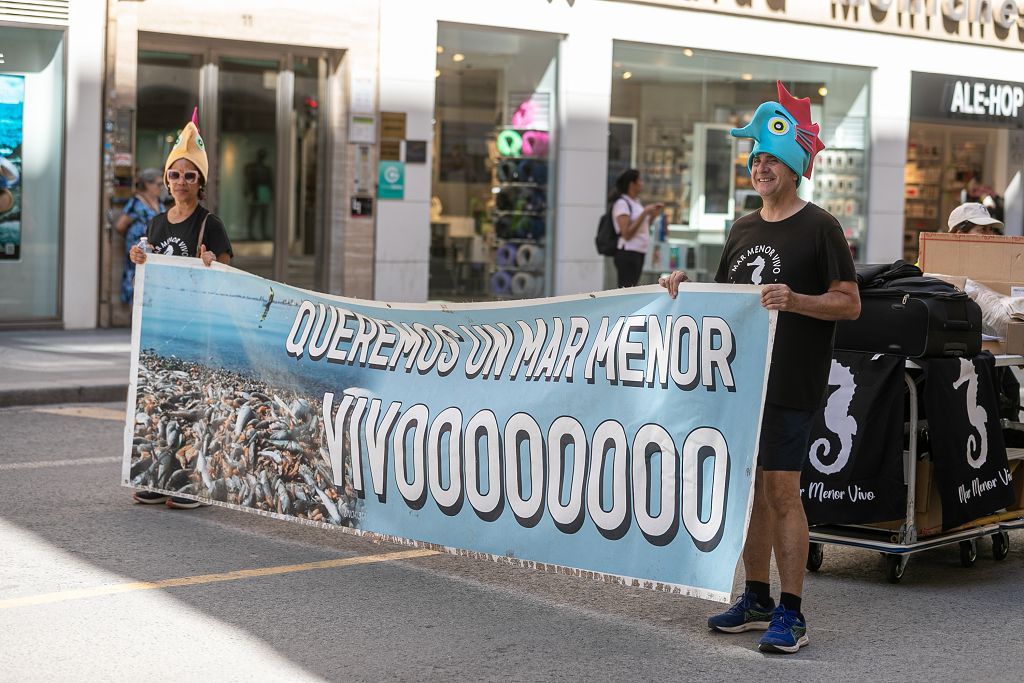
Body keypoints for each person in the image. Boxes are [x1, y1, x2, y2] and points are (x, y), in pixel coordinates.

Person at [660, 81, 860, 654]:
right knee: (747, 494)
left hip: (791, 381)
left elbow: (849, 302)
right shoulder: (743, 227)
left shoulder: (821, 227)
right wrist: (680, 288)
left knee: (782, 492)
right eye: (755, 160)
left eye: (771, 159)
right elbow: (725, 300)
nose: (761, 167)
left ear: (794, 166)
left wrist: (796, 300)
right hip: (741, 384)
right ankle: (756, 598)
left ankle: (792, 613)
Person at [129, 108, 233, 510]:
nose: (181, 182)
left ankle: (195, 486)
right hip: (162, 327)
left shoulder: (211, 223)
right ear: (167, 178)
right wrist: (139, 255)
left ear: (201, 182)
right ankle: (160, 477)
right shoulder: (156, 223)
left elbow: (228, 274)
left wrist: (214, 264)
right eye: (175, 174)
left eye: (190, 175)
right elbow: (152, 261)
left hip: (199, 327)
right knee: (161, 405)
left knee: (195, 408)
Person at [114, 168, 164, 303]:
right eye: (159, 184)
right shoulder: (136, 203)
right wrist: (133, 239)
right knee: (137, 285)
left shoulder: (158, 202)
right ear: (148, 184)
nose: (162, 187)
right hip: (138, 252)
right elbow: (120, 226)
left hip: (155, 253)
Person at [610, 169, 663, 287]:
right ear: (632, 184)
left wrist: (652, 215)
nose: (642, 183)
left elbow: (642, 228)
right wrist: (644, 213)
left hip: (638, 252)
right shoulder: (622, 203)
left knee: (632, 287)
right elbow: (626, 234)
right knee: (627, 289)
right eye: (639, 180)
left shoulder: (636, 202)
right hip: (627, 252)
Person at [244, 148, 274, 240]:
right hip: (256, 192)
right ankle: (250, 234)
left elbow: (270, 182)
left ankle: (262, 233)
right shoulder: (254, 168)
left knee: (262, 214)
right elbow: (249, 181)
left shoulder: (266, 169)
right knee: (254, 214)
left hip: (263, 192)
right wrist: (248, 190)